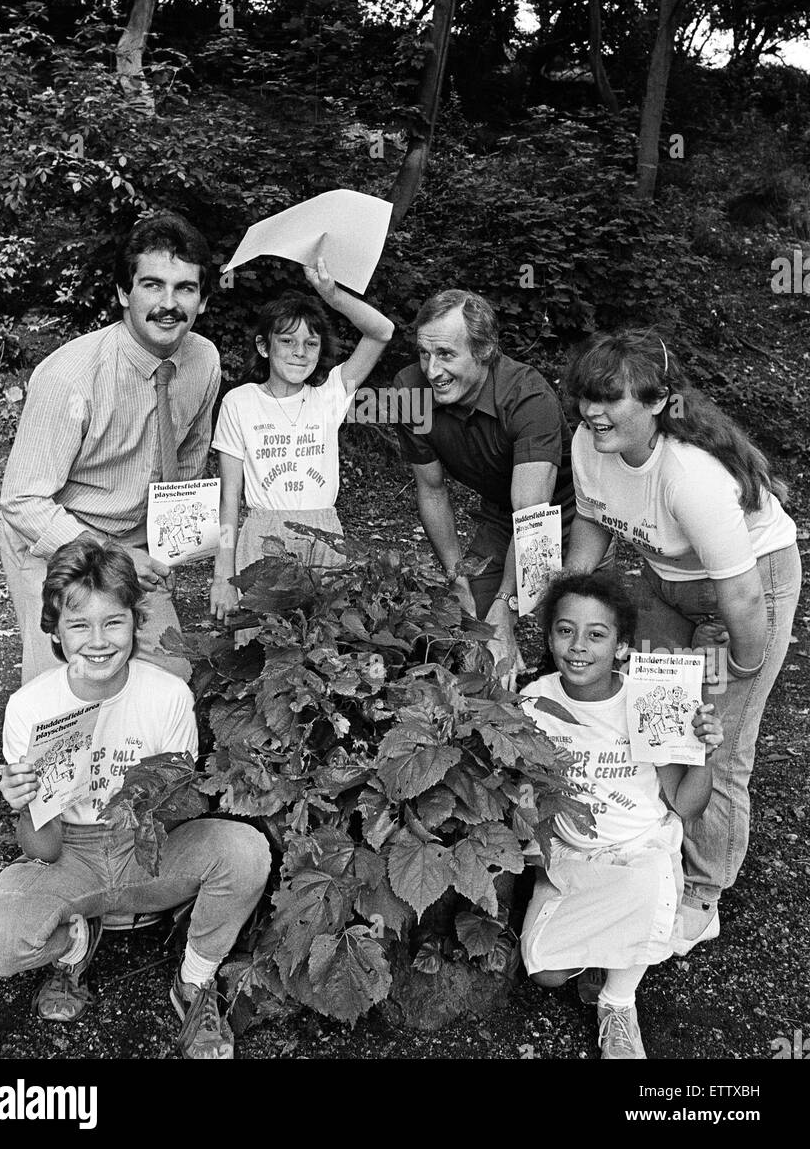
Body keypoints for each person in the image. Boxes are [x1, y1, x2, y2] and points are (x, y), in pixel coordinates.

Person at [0, 540, 271, 1060]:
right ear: (56, 632)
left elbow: (181, 816)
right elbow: (43, 850)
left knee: (246, 851)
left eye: (114, 622)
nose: (99, 642)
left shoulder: (169, 694)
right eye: (80, 625)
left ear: (135, 621)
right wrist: (26, 803)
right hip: (72, 854)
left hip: (145, 848)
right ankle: (77, 944)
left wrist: (164, 790)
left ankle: (195, 981)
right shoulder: (30, 708)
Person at [562, 329, 801, 954]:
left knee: (715, 740)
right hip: (667, 583)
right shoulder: (591, 444)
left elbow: (743, 595)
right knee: (658, 718)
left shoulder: (689, 473)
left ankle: (702, 892)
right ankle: (663, 848)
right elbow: (592, 517)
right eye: (589, 397)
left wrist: (742, 667)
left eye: (612, 400)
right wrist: (570, 591)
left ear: (659, 402)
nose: (593, 412)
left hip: (748, 591)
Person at [0, 212, 221, 683]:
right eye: (153, 285)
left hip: (136, 543)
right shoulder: (71, 376)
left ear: (201, 299)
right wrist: (117, 560)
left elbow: (187, 462)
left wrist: (168, 549)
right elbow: (23, 502)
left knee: (171, 677)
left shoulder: (204, 361)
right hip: (56, 538)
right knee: (69, 684)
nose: (169, 304)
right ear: (124, 293)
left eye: (185, 288)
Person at [518, 572, 722, 1060]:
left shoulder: (649, 699)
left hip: (639, 852)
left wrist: (705, 752)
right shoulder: (533, 703)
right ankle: (640, 935)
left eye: (597, 634)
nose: (578, 647)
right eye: (565, 630)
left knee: (643, 885)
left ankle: (618, 1003)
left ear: (623, 646)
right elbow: (523, 801)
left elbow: (687, 805)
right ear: (549, 637)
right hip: (571, 855)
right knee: (545, 972)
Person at [393, 289, 577, 681]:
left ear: (485, 349)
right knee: (472, 629)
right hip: (501, 515)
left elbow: (533, 520)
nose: (431, 371)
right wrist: (457, 578)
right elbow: (431, 490)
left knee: (575, 635)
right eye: (425, 354)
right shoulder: (410, 391)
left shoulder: (528, 397)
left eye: (446, 355)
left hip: (571, 517)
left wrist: (508, 606)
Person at [209, 257, 394, 623]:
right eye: (288, 340)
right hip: (263, 538)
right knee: (265, 648)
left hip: (325, 538)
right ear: (264, 346)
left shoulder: (329, 395)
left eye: (311, 343)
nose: (300, 351)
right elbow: (228, 498)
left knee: (324, 647)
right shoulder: (240, 402)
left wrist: (330, 292)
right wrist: (222, 577)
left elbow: (382, 332)